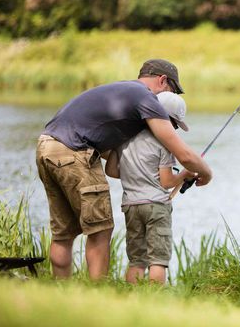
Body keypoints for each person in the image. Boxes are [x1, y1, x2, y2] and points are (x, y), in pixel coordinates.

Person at [35, 59, 212, 280]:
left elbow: (112, 155)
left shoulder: (121, 90)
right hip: (75, 150)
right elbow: (184, 154)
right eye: (173, 90)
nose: (170, 97)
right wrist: (206, 173)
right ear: (163, 80)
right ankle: (98, 296)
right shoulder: (147, 98)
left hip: (46, 145)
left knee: (63, 233)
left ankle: (60, 289)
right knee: (100, 230)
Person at [105, 91, 193, 284]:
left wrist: (135, 173)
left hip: (131, 206)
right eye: (175, 125)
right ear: (167, 120)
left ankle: (131, 299)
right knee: (158, 261)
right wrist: (185, 175)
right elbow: (167, 182)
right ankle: (155, 301)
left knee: (137, 261)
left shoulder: (125, 138)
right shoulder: (165, 144)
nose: (175, 130)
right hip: (156, 206)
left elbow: (111, 171)